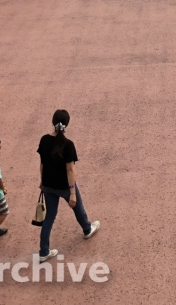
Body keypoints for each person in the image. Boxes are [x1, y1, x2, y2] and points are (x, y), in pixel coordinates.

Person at [37, 110, 100, 263]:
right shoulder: (68, 144)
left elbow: (42, 164)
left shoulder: (44, 140)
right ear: (67, 124)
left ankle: (44, 251)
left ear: (53, 122)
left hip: (48, 185)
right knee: (78, 208)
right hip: (64, 186)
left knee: (49, 218)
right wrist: (72, 193)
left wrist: (42, 182)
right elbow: (70, 169)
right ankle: (87, 228)